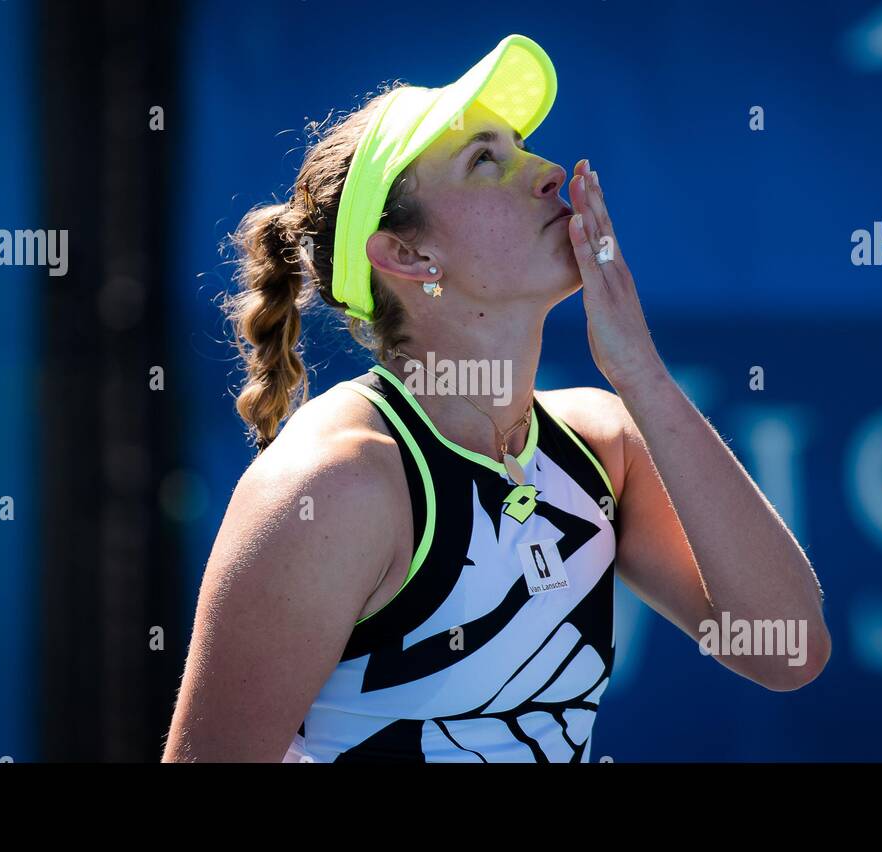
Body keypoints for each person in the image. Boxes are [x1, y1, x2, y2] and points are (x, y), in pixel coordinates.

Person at [163, 34, 829, 763]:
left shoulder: (603, 444)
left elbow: (789, 652)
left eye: (521, 146)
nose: (546, 171)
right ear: (410, 257)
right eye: (486, 160)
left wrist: (640, 373)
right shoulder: (338, 483)